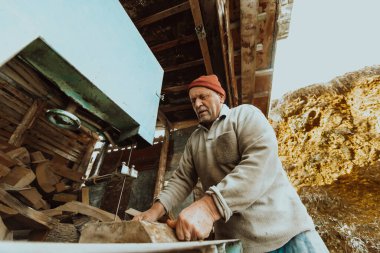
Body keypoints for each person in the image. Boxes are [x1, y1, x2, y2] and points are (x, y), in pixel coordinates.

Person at [133, 75, 329, 252]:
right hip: (237, 244)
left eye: (203, 96)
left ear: (221, 97)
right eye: (193, 100)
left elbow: (260, 162)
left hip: (287, 235)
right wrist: (153, 212)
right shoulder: (194, 140)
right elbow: (182, 180)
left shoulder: (245, 115)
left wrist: (209, 208)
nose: (198, 104)